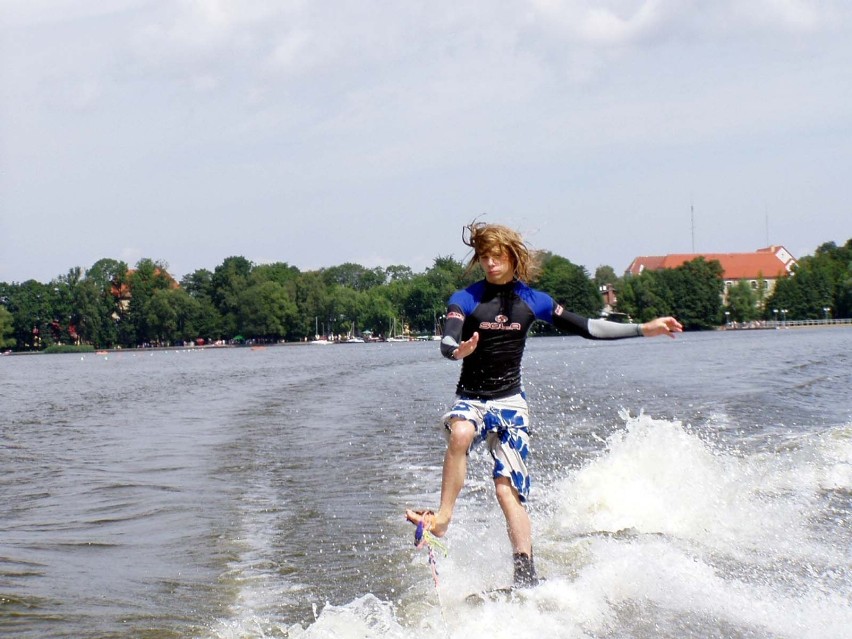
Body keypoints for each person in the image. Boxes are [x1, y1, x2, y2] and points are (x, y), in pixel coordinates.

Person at [405, 221, 683, 587]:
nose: (490, 263)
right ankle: (442, 519)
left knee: (507, 488)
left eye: (497, 256)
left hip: (510, 404)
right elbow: (447, 339)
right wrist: (459, 350)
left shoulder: (533, 300)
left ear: (512, 257)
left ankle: (525, 572)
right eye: (484, 257)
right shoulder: (466, 298)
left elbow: (588, 327)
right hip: (471, 398)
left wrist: (644, 329)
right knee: (460, 433)